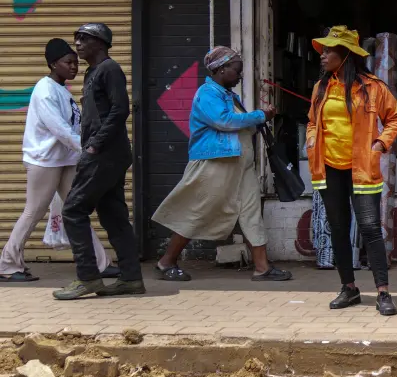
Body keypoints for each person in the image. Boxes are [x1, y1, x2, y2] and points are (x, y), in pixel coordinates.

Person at [151, 47, 293, 282]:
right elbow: (224, 121)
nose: (240, 76)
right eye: (237, 70)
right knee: (196, 211)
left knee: (251, 213)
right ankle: (166, 261)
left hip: (239, 165)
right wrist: (260, 115)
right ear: (220, 69)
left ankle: (262, 268)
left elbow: (238, 126)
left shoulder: (227, 95)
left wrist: (258, 119)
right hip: (214, 164)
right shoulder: (207, 93)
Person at [0, 39, 117, 282]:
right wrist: (88, 149)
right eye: (68, 62)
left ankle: (100, 263)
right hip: (44, 161)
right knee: (34, 211)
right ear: (54, 64)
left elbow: (73, 127)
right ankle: (8, 265)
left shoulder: (61, 89)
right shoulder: (45, 90)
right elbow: (60, 129)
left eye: (75, 62)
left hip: (64, 160)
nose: (74, 67)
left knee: (77, 210)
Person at [306, 26, 397, 316]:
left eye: (329, 51)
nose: (323, 55)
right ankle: (349, 288)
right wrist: (310, 139)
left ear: (346, 54)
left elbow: (395, 118)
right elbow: (312, 121)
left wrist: (380, 144)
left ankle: (383, 292)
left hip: (361, 168)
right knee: (337, 228)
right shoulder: (321, 87)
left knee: (370, 228)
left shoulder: (373, 87)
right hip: (328, 168)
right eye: (323, 50)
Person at [54, 23, 146, 300]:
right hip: (108, 154)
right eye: (77, 38)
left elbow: (120, 110)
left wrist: (95, 144)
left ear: (101, 42)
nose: (78, 44)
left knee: (73, 210)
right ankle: (131, 279)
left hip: (104, 154)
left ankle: (88, 278)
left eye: (84, 39)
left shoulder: (109, 69)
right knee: (114, 216)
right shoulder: (93, 72)